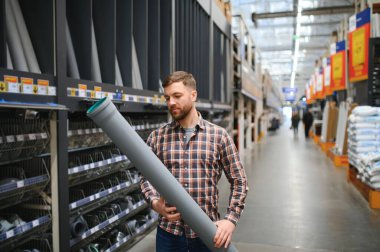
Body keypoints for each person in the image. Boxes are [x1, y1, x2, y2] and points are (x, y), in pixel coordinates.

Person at [140, 71, 248, 251]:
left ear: (193, 95)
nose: (171, 103)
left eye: (177, 96)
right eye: (167, 98)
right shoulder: (157, 137)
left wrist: (231, 220)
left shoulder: (219, 136)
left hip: (206, 233)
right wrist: (155, 203)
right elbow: (145, 177)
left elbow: (239, 181)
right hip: (169, 234)